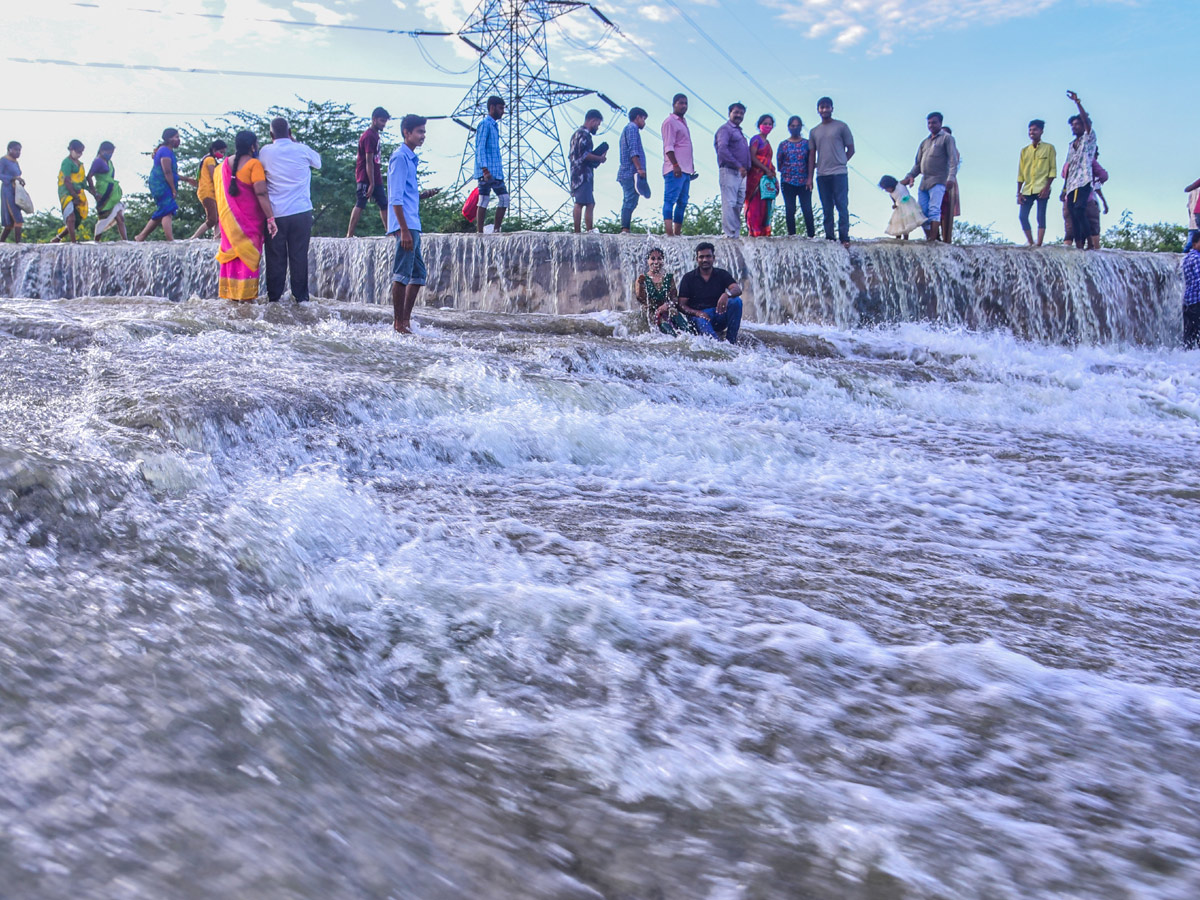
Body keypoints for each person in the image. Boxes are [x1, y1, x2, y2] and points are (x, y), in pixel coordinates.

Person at [387, 114, 441, 334]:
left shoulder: (410, 158)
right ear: (406, 133)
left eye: (424, 132)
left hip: (412, 224)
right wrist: (403, 230)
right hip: (406, 226)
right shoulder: (400, 158)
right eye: (419, 131)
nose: (423, 136)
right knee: (401, 275)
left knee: (418, 275)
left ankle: (405, 321)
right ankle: (398, 324)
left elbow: (407, 194)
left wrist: (423, 195)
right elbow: (395, 198)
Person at [260, 117, 322, 303]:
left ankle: (274, 299)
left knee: (275, 257)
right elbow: (318, 163)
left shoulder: (265, 152)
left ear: (271, 134)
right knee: (299, 255)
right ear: (290, 132)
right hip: (301, 212)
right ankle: (301, 299)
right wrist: (294, 141)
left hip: (276, 214)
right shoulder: (302, 149)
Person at [213, 130, 277, 301]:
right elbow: (262, 193)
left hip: (229, 227)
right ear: (252, 146)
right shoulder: (254, 165)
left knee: (233, 261)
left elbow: (220, 198)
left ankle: (233, 302)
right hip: (250, 226)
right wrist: (271, 218)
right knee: (247, 260)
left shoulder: (220, 168)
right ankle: (247, 301)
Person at [901, 112, 957, 243]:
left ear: (940, 123)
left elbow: (953, 160)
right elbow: (917, 165)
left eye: (934, 122)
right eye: (929, 123)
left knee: (934, 210)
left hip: (939, 179)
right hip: (924, 181)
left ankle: (932, 239)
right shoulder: (924, 142)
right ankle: (931, 237)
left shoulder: (947, 139)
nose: (931, 125)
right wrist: (908, 177)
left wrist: (951, 178)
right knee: (921, 212)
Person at [807, 97, 854, 247]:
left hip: (839, 172)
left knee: (842, 205)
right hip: (822, 174)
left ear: (832, 108)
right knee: (827, 207)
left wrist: (841, 161)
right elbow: (811, 154)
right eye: (822, 107)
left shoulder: (841, 126)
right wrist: (809, 177)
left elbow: (851, 149)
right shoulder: (814, 131)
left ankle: (844, 237)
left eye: (827, 107)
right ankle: (829, 237)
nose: (825, 110)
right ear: (818, 110)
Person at [677, 241, 744, 343]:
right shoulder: (688, 278)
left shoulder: (722, 274)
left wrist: (727, 294)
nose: (705, 260)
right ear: (697, 259)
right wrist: (697, 313)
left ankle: (731, 342)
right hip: (699, 318)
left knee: (736, 301)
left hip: (718, 314)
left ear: (713, 258)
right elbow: (681, 305)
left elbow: (737, 289)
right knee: (702, 322)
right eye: (701, 257)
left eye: (708, 256)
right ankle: (720, 348)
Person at [136, 128, 193, 242]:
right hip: (160, 184)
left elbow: (172, 173)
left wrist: (186, 179)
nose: (178, 140)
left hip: (163, 183)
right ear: (169, 138)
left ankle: (141, 236)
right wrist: (173, 189)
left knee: (163, 210)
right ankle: (170, 239)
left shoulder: (168, 151)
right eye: (176, 137)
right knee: (167, 209)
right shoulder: (165, 151)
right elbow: (166, 172)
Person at [1062, 90, 1097, 250]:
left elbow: (1086, 121)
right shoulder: (1071, 145)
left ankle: (1089, 240)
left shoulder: (1088, 138)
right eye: (1073, 125)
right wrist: (1064, 188)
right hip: (1071, 184)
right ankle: (1079, 243)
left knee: (1080, 209)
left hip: (1084, 181)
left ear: (1084, 125)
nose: (1075, 127)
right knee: (1073, 214)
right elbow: (1069, 167)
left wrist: (1077, 102)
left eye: (1078, 124)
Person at [347, 107, 389, 237]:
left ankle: (390, 231)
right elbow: (368, 161)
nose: (383, 124)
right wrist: (371, 183)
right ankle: (349, 234)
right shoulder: (369, 136)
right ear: (374, 119)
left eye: (385, 122)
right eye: (382, 121)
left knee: (383, 203)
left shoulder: (376, 135)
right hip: (366, 177)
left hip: (375, 176)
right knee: (361, 202)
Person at [634, 246, 694, 335]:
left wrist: (667, 305)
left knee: (685, 328)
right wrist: (641, 284)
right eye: (652, 258)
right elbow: (641, 299)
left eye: (659, 258)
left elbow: (674, 298)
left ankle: (691, 339)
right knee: (670, 333)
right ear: (648, 261)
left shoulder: (668, 278)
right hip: (651, 311)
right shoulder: (642, 278)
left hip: (667, 309)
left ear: (663, 261)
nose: (656, 262)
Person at [1017, 118, 1056, 247]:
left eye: (1035, 129)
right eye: (1030, 130)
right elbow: (1021, 173)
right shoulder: (1024, 151)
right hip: (1028, 188)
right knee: (1022, 216)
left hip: (1042, 187)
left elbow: (1052, 170)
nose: (1032, 132)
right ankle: (1030, 241)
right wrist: (1019, 192)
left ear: (1041, 131)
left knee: (1040, 216)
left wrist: (1047, 187)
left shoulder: (1049, 148)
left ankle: (1039, 243)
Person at [661, 93, 694, 236]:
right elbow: (668, 146)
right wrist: (675, 165)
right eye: (681, 103)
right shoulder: (670, 122)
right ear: (674, 104)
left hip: (686, 170)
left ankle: (677, 233)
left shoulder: (683, 122)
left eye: (686, 103)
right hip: (675, 168)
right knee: (670, 200)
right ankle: (669, 233)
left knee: (683, 202)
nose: (684, 106)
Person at [715, 102, 750, 238]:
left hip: (741, 173)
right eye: (736, 112)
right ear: (729, 113)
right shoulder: (725, 129)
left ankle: (735, 233)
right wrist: (738, 165)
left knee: (738, 203)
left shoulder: (739, 132)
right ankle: (730, 234)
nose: (739, 115)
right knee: (729, 203)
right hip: (729, 170)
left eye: (741, 113)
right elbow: (722, 150)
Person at [474, 96, 509, 234]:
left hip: (494, 171)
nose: (502, 111)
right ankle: (484, 231)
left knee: (495, 199)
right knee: (488, 199)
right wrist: (484, 168)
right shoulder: (485, 124)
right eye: (501, 108)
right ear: (492, 107)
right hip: (488, 171)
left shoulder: (494, 126)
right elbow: (480, 147)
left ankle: (493, 230)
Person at [569, 109, 608, 233]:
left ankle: (583, 230)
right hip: (583, 174)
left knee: (588, 202)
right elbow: (585, 155)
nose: (598, 126)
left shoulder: (575, 134)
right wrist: (599, 158)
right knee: (583, 203)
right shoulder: (584, 134)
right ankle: (582, 231)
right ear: (593, 120)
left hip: (577, 173)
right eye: (598, 123)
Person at [776, 117, 813, 237]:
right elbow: (779, 164)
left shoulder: (807, 144)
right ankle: (791, 235)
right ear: (788, 127)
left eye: (797, 126)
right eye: (792, 126)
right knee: (790, 209)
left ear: (801, 127)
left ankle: (811, 235)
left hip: (804, 181)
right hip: (788, 181)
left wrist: (809, 179)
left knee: (807, 209)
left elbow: (811, 162)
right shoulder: (783, 145)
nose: (795, 128)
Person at [616, 107, 648, 233]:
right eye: (644, 119)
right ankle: (625, 229)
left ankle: (625, 228)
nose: (644, 123)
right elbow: (633, 150)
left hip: (629, 172)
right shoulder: (632, 128)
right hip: (630, 172)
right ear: (638, 117)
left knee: (632, 200)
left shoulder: (628, 129)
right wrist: (639, 168)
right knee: (629, 200)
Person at [87, 141, 126, 241]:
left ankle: (125, 240)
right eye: (108, 152)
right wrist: (94, 193)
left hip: (112, 192)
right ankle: (96, 240)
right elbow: (89, 176)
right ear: (102, 150)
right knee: (104, 218)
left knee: (120, 217)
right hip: (103, 192)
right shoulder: (97, 161)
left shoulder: (109, 162)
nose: (110, 155)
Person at [745, 114, 776, 237]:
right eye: (765, 123)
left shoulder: (767, 143)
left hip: (766, 180)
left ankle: (763, 232)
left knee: (764, 206)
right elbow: (752, 157)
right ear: (759, 125)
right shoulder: (756, 139)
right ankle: (754, 231)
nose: (767, 126)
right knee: (754, 206)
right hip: (756, 177)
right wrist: (765, 168)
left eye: (770, 124)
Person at [190, 140, 227, 239]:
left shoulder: (207, 159)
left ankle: (217, 238)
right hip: (207, 192)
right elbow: (213, 176)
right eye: (221, 152)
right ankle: (193, 237)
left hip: (210, 192)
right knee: (212, 219)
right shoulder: (210, 159)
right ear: (214, 150)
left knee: (219, 218)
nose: (222, 155)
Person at [54, 139, 87, 243]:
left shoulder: (80, 164)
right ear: (71, 150)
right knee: (71, 217)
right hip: (66, 191)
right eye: (78, 151)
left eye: (81, 152)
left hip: (77, 191)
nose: (79, 154)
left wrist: (93, 192)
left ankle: (57, 238)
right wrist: (73, 195)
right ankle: (73, 241)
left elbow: (83, 181)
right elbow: (67, 180)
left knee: (76, 219)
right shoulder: (67, 162)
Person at [939, 125, 960, 244]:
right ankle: (935, 237)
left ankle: (946, 239)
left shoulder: (953, 151)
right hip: (936, 181)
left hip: (948, 181)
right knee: (935, 210)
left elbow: (953, 165)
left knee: (947, 212)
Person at [0, 141, 24, 243]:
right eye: (16, 149)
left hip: (16, 191)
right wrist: (12, 178)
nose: (18, 152)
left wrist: (20, 180)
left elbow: (17, 175)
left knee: (9, 223)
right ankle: (18, 244)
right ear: (9, 149)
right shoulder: (4, 160)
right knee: (17, 218)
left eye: (19, 150)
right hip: (8, 190)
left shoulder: (15, 162)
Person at [1184, 231, 1200, 350]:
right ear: (1194, 244)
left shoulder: (1187, 258)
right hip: (1197, 302)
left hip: (1188, 302)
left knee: (1189, 337)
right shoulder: (1197, 259)